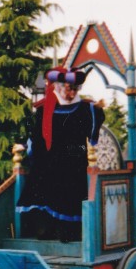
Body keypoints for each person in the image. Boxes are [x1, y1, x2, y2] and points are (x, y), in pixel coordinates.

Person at [16, 66, 104, 242]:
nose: (72, 93)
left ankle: (67, 232)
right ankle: (45, 229)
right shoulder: (45, 109)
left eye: (75, 89)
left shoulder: (87, 109)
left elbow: (92, 134)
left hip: (75, 157)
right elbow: (37, 136)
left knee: (66, 178)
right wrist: (27, 148)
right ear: (57, 86)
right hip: (50, 158)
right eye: (68, 88)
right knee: (41, 175)